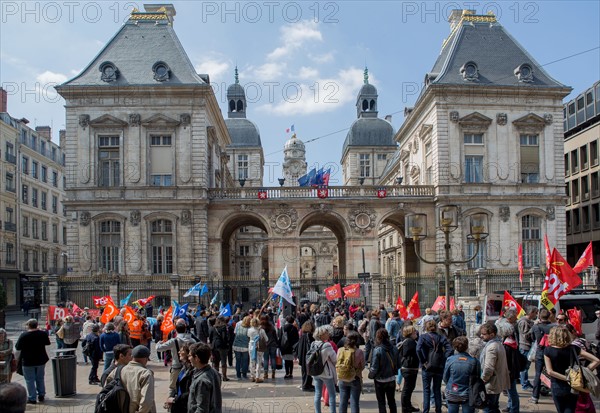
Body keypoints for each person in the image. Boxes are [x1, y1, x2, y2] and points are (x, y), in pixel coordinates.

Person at [544, 325, 599, 413]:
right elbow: (596, 360)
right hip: (574, 385)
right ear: (567, 335)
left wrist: (566, 378)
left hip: (557, 385)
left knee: (561, 410)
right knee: (571, 409)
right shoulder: (574, 348)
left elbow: (550, 371)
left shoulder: (548, 350)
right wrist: (584, 371)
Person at [417, 319, 452, 413]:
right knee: (437, 389)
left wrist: (423, 361)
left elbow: (418, 349)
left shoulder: (423, 337)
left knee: (426, 389)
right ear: (436, 327)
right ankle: (438, 409)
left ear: (426, 327)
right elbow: (450, 349)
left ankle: (426, 410)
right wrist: (444, 358)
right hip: (439, 366)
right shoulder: (441, 337)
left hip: (427, 366)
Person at [108, 345, 156, 413]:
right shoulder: (145, 373)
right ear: (146, 359)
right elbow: (147, 401)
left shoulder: (117, 370)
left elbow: (106, 389)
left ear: (132, 356)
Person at [157, 319, 197, 396]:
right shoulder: (192, 340)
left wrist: (158, 343)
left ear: (176, 330)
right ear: (185, 329)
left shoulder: (173, 340)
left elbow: (159, 348)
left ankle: (170, 404)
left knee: (173, 387)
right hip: (189, 366)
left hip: (176, 365)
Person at [15, 319, 50, 404]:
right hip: (41, 360)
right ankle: (41, 395)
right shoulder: (42, 334)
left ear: (28, 326)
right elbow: (48, 343)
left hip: (28, 361)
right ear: (37, 325)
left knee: (30, 380)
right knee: (40, 378)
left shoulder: (24, 335)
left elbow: (17, 347)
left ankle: (32, 398)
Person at [443, 336, 480, 413]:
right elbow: (477, 378)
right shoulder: (474, 361)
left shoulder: (450, 359)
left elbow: (445, 377)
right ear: (467, 346)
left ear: (455, 347)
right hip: (468, 393)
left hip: (452, 391)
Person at [479, 322, 510, 413]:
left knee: (488, 408)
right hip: (496, 383)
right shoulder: (498, 343)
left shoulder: (492, 347)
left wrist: (483, 380)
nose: (481, 336)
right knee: (494, 407)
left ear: (492, 334)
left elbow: (488, 368)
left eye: (484, 334)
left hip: (491, 384)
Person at [369, 328, 399, 413]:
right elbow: (399, 364)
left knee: (381, 402)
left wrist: (370, 375)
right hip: (391, 378)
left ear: (378, 337)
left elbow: (374, 367)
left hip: (380, 379)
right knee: (392, 401)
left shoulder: (377, 350)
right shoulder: (394, 348)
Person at [310, 325, 338, 413]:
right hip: (326, 373)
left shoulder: (313, 344)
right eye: (326, 333)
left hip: (316, 372)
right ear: (321, 335)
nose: (328, 334)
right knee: (332, 395)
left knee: (317, 394)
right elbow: (335, 359)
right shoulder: (327, 345)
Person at [530, 308, 556, 404]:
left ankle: (535, 397)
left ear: (540, 316)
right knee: (552, 373)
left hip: (540, 352)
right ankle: (554, 394)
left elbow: (532, 338)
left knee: (538, 374)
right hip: (552, 352)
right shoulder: (554, 326)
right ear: (549, 316)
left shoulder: (536, 327)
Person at [188, 342, 222, 413]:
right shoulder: (215, 372)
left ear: (197, 358)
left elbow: (202, 408)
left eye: (190, 356)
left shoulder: (202, 380)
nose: (189, 358)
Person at [336, 331, 364, 413]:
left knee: (343, 402)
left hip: (342, 378)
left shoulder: (340, 350)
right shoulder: (359, 352)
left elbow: (337, 363)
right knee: (354, 403)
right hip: (355, 378)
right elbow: (362, 366)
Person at [165, 343, 194, 413]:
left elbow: (191, 392)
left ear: (188, 353)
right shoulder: (184, 367)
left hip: (186, 405)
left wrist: (175, 399)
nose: (179, 352)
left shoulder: (192, 370)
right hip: (179, 403)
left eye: (182, 351)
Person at [399, 325, 420, 413]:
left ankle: (408, 405)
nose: (416, 333)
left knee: (410, 388)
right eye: (414, 331)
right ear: (410, 333)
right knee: (407, 389)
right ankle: (405, 408)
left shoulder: (410, 341)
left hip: (410, 367)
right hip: (409, 368)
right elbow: (407, 354)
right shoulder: (409, 342)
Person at [516, 306, 537, 391]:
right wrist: (533, 328)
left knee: (526, 367)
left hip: (527, 346)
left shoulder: (528, 321)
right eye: (535, 312)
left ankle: (525, 382)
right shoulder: (524, 322)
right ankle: (524, 384)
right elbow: (525, 335)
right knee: (524, 367)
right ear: (531, 312)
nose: (536, 314)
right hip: (524, 346)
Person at [208, 316, 230, 381]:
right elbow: (224, 337)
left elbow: (210, 338)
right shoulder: (223, 328)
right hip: (222, 346)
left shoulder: (212, 328)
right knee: (223, 362)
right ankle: (224, 377)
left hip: (214, 346)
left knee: (215, 362)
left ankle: (216, 376)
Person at [247, 317, 268, 383]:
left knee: (252, 361)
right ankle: (257, 377)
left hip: (251, 346)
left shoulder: (249, 330)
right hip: (259, 346)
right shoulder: (261, 330)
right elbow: (266, 339)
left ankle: (252, 376)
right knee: (259, 361)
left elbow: (248, 336)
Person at [297, 320, 316, 391]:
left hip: (303, 355)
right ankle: (306, 385)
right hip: (307, 355)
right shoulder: (309, 336)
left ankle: (307, 384)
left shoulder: (303, 335)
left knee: (305, 371)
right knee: (307, 371)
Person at [232, 315, 250, 380]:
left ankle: (238, 375)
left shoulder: (238, 325)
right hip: (245, 346)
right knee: (245, 361)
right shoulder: (249, 328)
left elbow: (235, 333)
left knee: (238, 361)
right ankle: (244, 374)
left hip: (236, 345)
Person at [260, 316, 279, 380]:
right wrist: (277, 344)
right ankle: (273, 372)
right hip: (273, 344)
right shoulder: (271, 326)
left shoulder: (261, 328)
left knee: (266, 359)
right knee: (273, 358)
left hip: (265, 345)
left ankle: (265, 374)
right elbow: (275, 336)